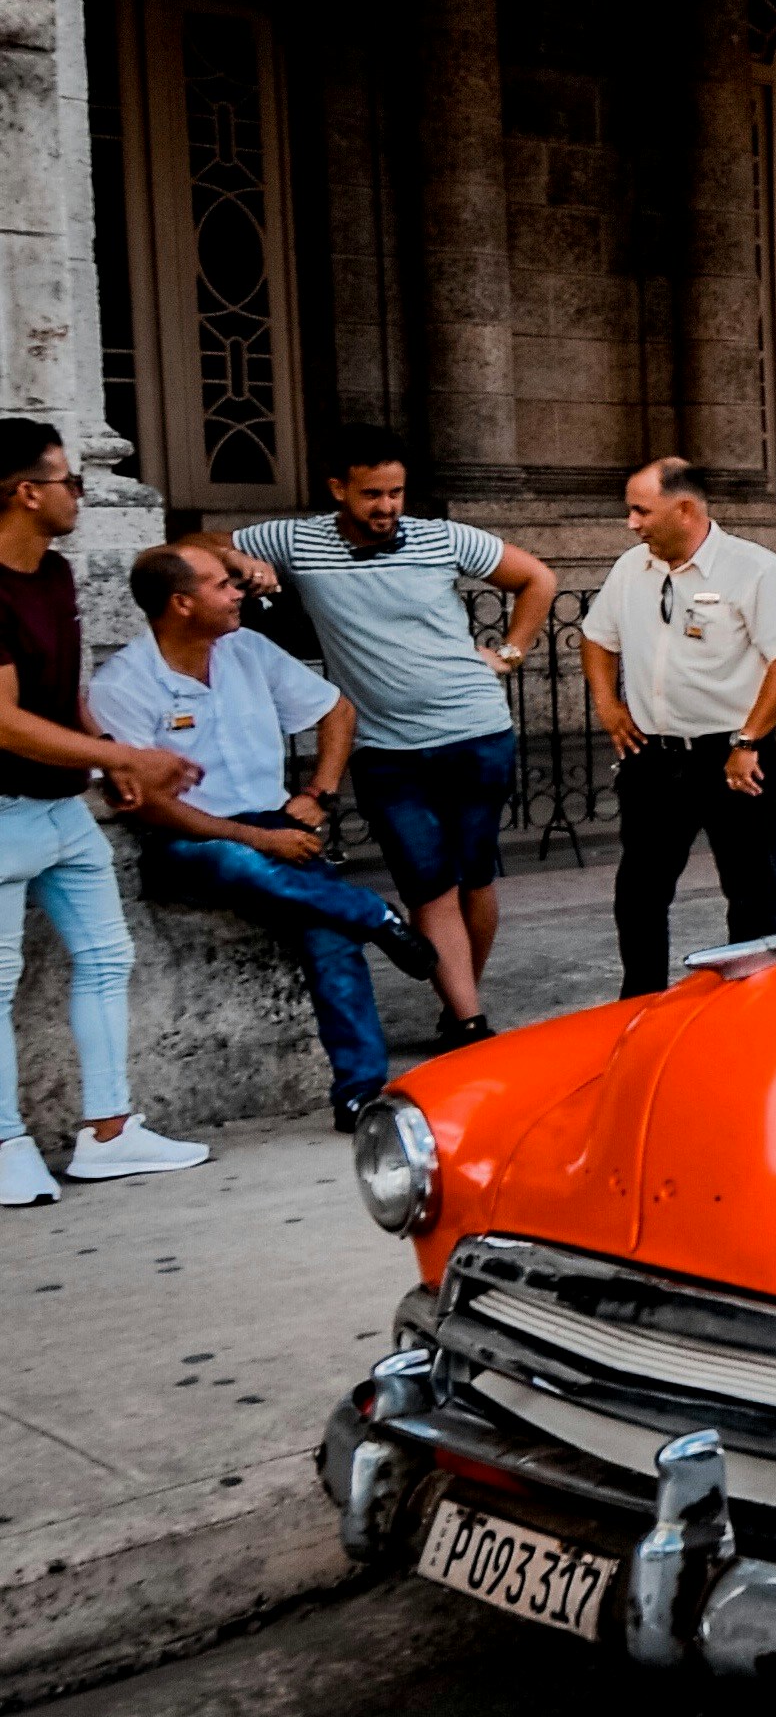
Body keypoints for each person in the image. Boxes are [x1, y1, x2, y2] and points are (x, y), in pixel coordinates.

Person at [226, 435, 556, 1045]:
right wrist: (245, 566)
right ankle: (467, 1019)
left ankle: (461, 1004)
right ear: (338, 491)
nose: (386, 506)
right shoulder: (297, 541)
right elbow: (197, 548)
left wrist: (509, 654)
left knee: (475, 877)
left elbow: (537, 577)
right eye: (372, 494)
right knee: (427, 882)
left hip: (476, 733)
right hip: (381, 748)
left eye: (395, 493)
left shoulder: (441, 537)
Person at [92, 541, 427, 1131]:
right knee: (237, 862)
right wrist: (259, 840)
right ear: (182, 603)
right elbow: (151, 807)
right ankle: (375, 913)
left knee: (330, 935)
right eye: (222, 585)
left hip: (275, 823)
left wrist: (317, 794)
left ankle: (360, 1092)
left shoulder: (246, 648)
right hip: (189, 840)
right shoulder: (124, 685)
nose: (237, 592)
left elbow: (337, 710)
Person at [0, 422, 209, 1206]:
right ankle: (5, 1144)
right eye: (69, 481)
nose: (79, 493)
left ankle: (109, 1132)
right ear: (27, 491)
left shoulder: (53, 573)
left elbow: (63, 691)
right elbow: (4, 718)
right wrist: (125, 758)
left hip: (59, 810)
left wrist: (102, 748)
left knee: (107, 957)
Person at [580, 459, 776, 1000]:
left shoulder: (754, 570)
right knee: (639, 890)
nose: (632, 523)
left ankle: (751, 1003)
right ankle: (639, 1000)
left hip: (732, 757)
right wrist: (607, 703)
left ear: (684, 509)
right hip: (652, 756)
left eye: (642, 510)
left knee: (750, 890)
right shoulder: (631, 569)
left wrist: (748, 741)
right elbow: (596, 637)